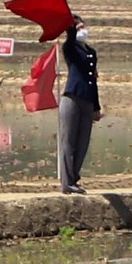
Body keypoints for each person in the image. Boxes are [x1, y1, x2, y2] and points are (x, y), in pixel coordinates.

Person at [57, 16, 99, 194]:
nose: (83, 30)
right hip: (72, 98)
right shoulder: (70, 48)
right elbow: (71, 37)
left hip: (87, 100)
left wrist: (96, 107)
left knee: (82, 143)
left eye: (84, 27)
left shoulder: (91, 52)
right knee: (69, 141)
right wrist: (70, 25)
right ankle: (67, 183)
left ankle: (75, 178)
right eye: (79, 28)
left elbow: (93, 81)